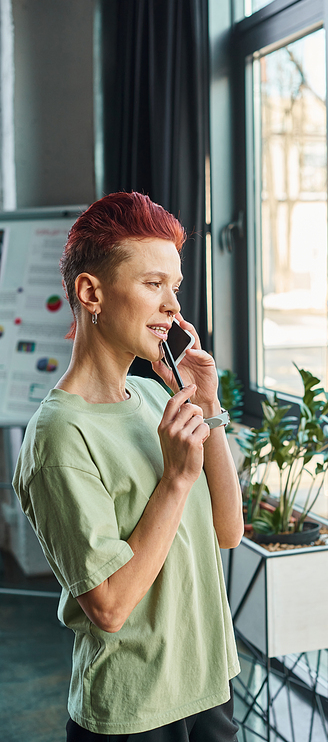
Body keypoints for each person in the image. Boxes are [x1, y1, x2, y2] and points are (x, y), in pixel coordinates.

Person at [13, 192, 243, 741]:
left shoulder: (150, 395)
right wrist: (176, 479)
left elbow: (229, 532)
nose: (171, 306)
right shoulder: (58, 436)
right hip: (132, 710)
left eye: (175, 288)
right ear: (91, 292)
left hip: (209, 686)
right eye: (152, 283)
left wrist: (208, 408)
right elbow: (110, 607)